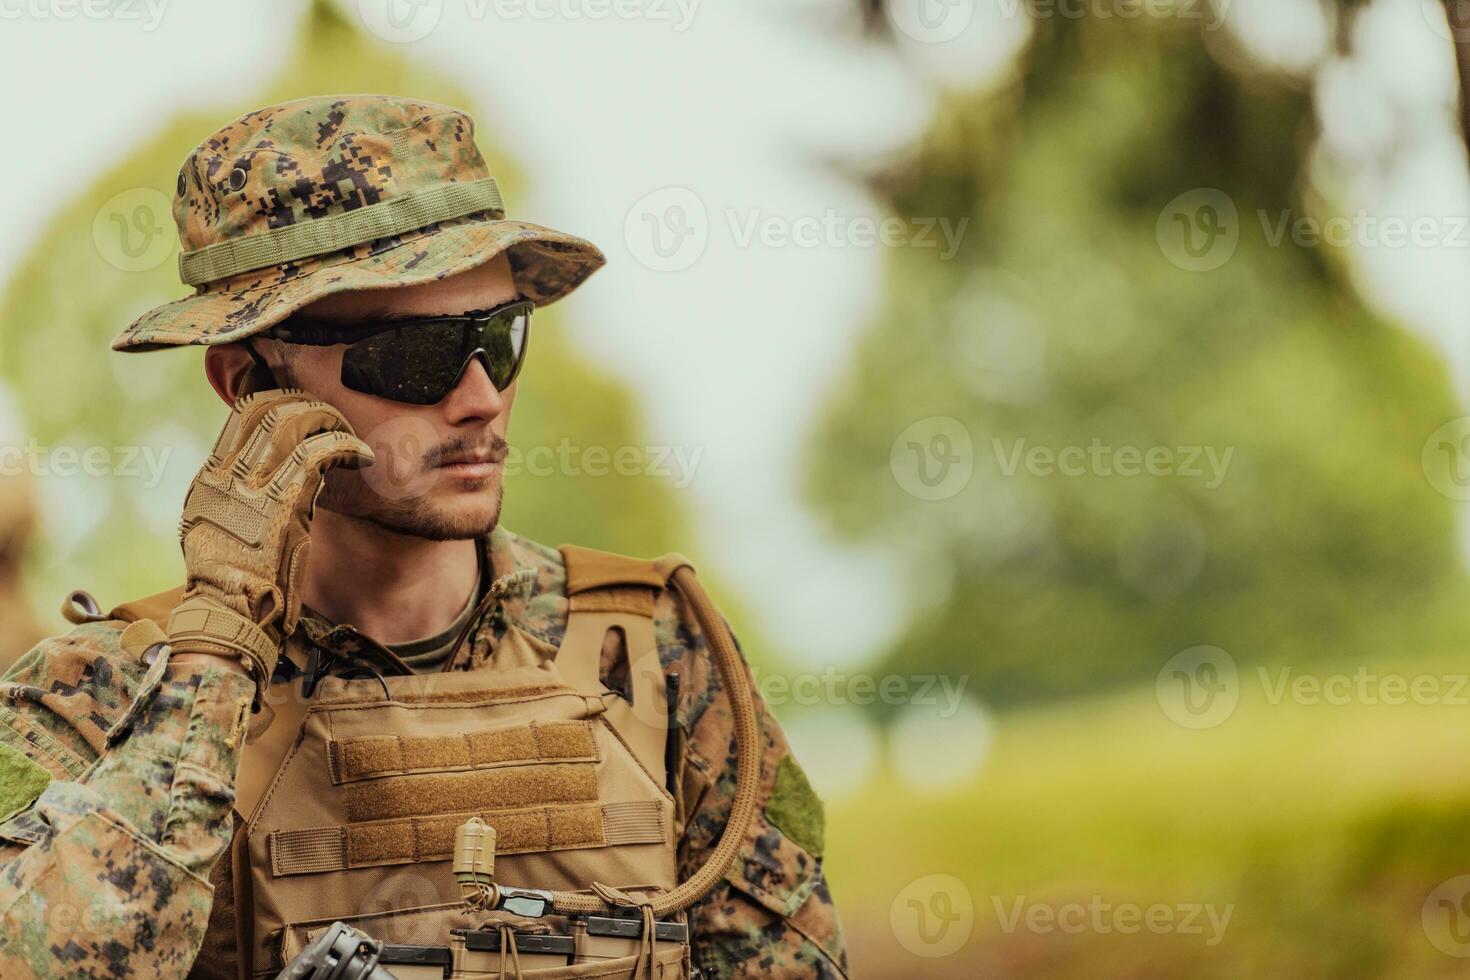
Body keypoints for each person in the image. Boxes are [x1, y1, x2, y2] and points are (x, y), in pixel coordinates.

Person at [0, 94, 847, 980]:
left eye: (501, 337)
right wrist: (216, 652)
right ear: (250, 380)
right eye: (415, 356)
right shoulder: (101, 696)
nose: (479, 397)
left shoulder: (661, 657)